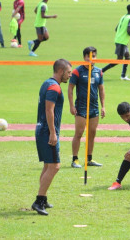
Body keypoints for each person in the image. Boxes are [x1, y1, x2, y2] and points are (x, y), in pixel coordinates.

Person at [32, 59, 72, 216]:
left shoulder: (46, 83)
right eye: (68, 72)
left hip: (42, 130)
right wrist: (53, 133)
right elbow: (49, 110)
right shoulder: (54, 87)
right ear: (61, 71)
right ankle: (39, 200)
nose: (69, 76)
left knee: (48, 166)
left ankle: (43, 198)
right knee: (55, 166)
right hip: (47, 132)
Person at [68, 47, 105, 168]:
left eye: (94, 56)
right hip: (81, 107)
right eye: (89, 56)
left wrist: (103, 106)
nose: (91, 58)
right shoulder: (77, 71)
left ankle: (89, 159)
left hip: (94, 107)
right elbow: (70, 89)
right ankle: (75, 159)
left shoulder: (99, 72)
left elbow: (101, 90)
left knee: (92, 133)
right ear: (84, 57)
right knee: (79, 133)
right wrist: (71, 106)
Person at [102, 4, 130, 81]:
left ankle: (123, 76)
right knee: (119, 59)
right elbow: (128, 30)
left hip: (120, 40)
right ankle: (101, 71)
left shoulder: (123, 17)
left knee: (127, 57)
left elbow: (116, 28)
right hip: (121, 41)